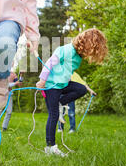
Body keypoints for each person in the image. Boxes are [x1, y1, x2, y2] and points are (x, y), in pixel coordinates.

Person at [36, 28, 108, 157]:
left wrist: (67, 77)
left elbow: (67, 69)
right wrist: (42, 79)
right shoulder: (67, 49)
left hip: (62, 85)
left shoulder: (78, 57)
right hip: (52, 85)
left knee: (81, 89)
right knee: (53, 115)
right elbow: (50, 62)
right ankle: (50, 147)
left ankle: (60, 103)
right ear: (85, 43)